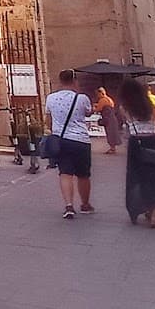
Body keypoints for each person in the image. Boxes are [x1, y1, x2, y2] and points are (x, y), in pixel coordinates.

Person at [120, 80, 155, 228]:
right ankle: (154, 216)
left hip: (136, 144)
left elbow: (127, 127)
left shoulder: (125, 107)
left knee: (138, 177)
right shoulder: (150, 106)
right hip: (153, 142)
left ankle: (140, 207)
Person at [43, 69, 93, 219]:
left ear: (60, 81)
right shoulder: (82, 98)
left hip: (61, 140)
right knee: (83, 174)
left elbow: (48, 120)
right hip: (81, 140)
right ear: (74, 81)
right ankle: (85, 204)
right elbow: (88, 112)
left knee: (65, 173)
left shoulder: (51, 98)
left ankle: (69, 205)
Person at [94, 86, 121, 155]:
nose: (97, 96)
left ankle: (112, 148)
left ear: (101, 93)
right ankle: (113, 148)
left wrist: (93, 108)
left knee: (110, 133)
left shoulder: (102, 100)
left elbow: (98, 109)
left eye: (97, 94)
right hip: (112, 118)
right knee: (112, 133)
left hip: (108, 118)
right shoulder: (109, 99)